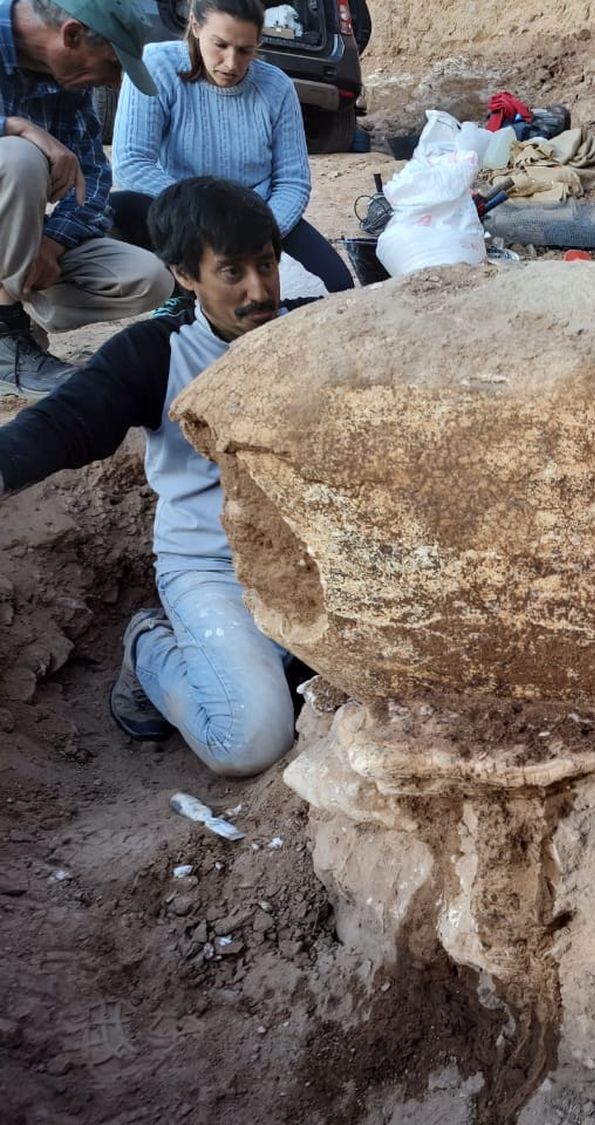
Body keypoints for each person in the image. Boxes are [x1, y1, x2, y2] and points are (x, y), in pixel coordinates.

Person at [0, 177, 314, 777]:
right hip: (211, 568)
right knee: (251, 739)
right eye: (233, 272)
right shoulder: (155, 353)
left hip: (312, 564)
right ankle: (149, 644)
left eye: (268, 265)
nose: (259, 291)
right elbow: (68, 421)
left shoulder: (309, 331)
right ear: (185, 275)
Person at [110, 0, 354, 298]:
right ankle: (180, 296)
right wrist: (207, 221)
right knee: (121, 208)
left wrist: (260, 235)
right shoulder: (157, 64)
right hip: (184, 212)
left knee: (337, 285)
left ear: (258, 43)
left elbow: (293, 181)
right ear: (196, 26)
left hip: (256, 215)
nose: (231, 63)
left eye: (244, 51)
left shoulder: (277, 87)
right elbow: (132, 162)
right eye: (220, 45)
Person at [0, 0, 175, 398]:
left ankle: (13, 322)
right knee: (19, 157)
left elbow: (95, 176)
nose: (116, 84)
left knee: (150, 279)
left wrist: (52, 241)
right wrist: (17, 127)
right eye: (114, 65)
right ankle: (5, 329)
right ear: (72, 35)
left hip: (11, 244)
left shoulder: (65, 80)